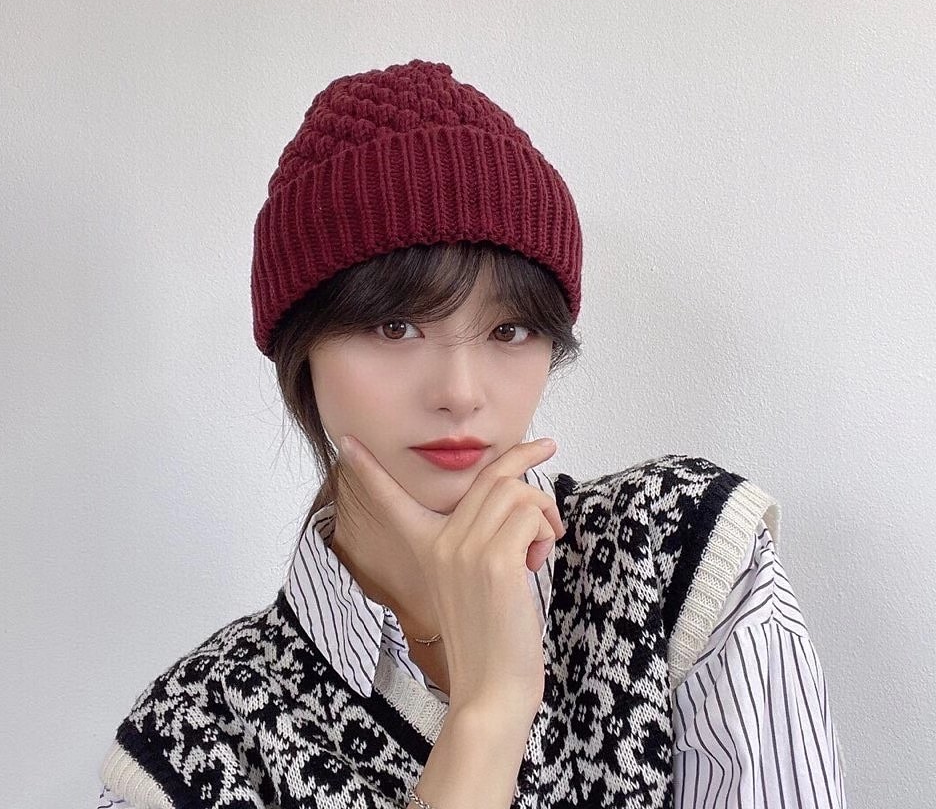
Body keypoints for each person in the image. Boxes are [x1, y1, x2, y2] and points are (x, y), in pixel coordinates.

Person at [96, 59, 849, 808]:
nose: (459, 392)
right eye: (395, 326)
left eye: (508, 329)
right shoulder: (198, 737)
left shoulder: (678, 557)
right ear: (301, 350)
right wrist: (488, 714)